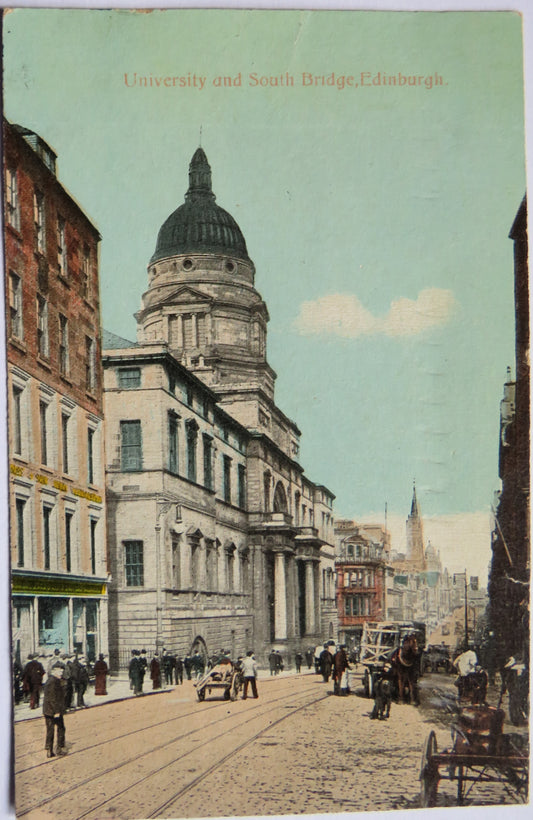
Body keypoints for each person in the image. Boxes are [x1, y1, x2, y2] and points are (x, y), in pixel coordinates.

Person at [43, 661, 67, 757]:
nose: (61, 673)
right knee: (61, 728)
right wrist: (56, 711)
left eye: (62, 671)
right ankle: (59, 748)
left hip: (48, 710)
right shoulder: (54, 682)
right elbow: (52, 698)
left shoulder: (51, 680)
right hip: (54, 710)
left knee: (50, 730)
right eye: (59, 671)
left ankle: (49, 749)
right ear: (54, 671)